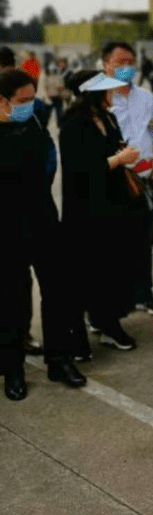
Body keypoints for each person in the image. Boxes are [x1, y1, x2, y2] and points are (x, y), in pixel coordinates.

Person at [0, 69, 86, 399]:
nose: (29, 105)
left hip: (43, 221)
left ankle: (59, 359)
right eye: (22, 101)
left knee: (57, 292)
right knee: (12, 300)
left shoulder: (34, 121)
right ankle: (13, 370)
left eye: (32, 99)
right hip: (7, 230)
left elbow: (49, 160)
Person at [60, 71, 146, 352]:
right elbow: (79, 169)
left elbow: (112, 148)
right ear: (92, 95)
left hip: (114, 204)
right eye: (106, 92)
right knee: (95, 268)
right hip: (87, 209)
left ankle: (106, 318)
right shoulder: (73, 123)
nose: (111, 96)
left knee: (114, 265)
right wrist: (117, 159)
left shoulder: (107, 118)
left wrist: (124, 153)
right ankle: (105, 323)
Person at [102, 40, 153, 315]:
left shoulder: (145, 97)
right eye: (120, 62)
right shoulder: (100, 99)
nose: (126, 67)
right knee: (114, 242)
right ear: (105, 64)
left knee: (145, 237)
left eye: (131, 62)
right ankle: (116, 297)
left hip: (143, 178)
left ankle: (145, 293)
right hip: (114, 178)